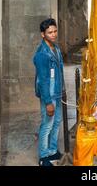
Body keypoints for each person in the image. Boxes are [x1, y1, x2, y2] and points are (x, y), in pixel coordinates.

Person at [33, 18, 64, 166]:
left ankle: (52, 150)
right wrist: (48, 102)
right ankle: (43, 157)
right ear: (42, 34)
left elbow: (59, 72)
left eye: (55, 31)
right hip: (49, 96)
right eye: (49, 32)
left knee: (57, 122)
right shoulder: (42, 54)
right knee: (47, 125)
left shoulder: (55, 48)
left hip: (57, 93)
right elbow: (43, 81)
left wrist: (61, 90)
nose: (53, 34)